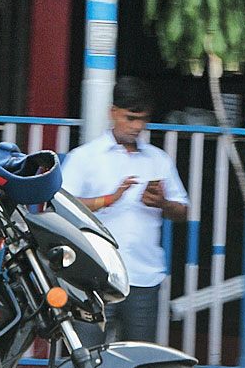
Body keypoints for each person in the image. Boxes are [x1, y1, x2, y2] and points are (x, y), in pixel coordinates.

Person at [63, 76, 190, 348]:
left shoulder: (158, 159)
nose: (137, 127)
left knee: (141, 367)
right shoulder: (85, 157)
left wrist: (163, 203)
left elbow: (183, 212)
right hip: (95, 278)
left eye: (143, 119)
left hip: (143, 278)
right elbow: (61, 206)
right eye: (130, 118)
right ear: (113, 113)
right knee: (87, 363)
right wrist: (108, 199)